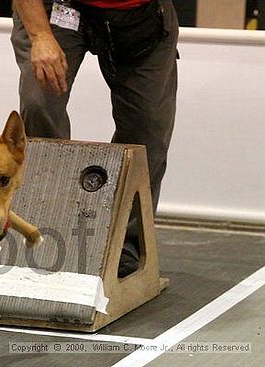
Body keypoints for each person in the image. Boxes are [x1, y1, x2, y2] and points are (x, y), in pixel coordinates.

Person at [10, 0, 179, 277]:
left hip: (140, 14)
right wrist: (40, 36)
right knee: (40, 104)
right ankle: (44, 229)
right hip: (59, 8)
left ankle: (124, 245)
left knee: (148, 126)